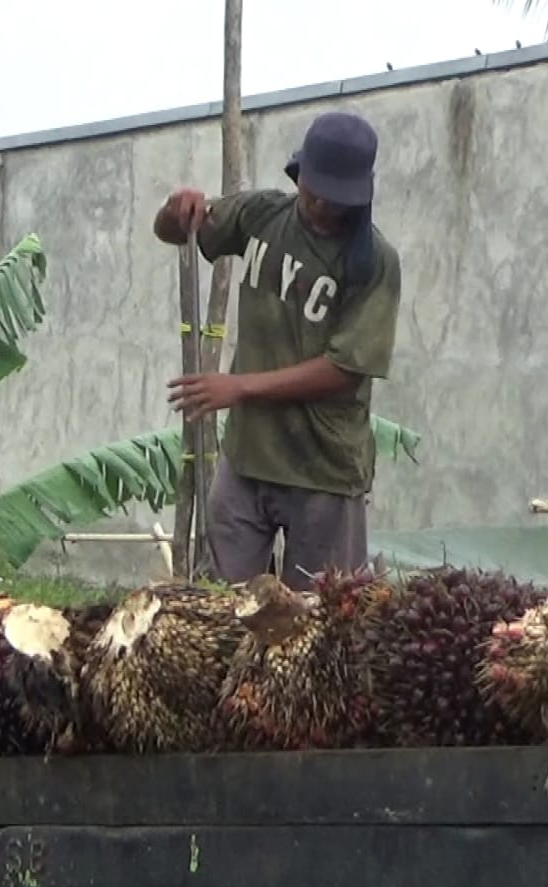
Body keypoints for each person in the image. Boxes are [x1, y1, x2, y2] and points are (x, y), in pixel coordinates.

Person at [152, 110, 402, 590]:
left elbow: (345, 369)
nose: (320, 207)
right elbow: (175, 231)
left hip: (324, 470)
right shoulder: (263, 214)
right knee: (225, 608)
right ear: (298, 175)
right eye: (312, 192)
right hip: (248, 457)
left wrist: (239, 386)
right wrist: (176, 208)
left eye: (334, 200)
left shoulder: (375, 262)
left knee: (318, 624)